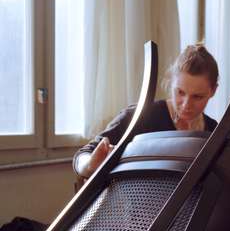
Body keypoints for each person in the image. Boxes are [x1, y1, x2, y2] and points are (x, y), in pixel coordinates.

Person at [73, 44, 219, 178]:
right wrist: (89, 165)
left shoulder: (215, 131)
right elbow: (82, 155)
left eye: (197, 97)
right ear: (171, 83)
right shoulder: (141, 116)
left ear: (213, 91)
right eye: (180, 92)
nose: (186, 104)